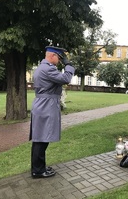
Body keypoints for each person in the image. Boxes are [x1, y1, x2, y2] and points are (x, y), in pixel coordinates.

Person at [29, 45, 75, 178]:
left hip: (43, 104)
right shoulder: (47, 69)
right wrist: (69, 65)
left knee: (41, 138)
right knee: (41, 139)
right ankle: (38, 170)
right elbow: (66, 79)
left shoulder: (43, 68)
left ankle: (39, 167)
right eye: (60, 58)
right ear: (52, 56)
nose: (60, 61)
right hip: (46, 106)